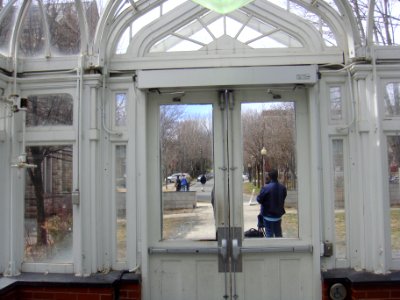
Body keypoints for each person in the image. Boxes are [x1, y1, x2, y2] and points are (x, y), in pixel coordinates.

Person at [256, 169, 286, 238]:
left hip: (267, 216)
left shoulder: (266, 188)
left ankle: (270, 246)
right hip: (278, 215)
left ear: (269, 177)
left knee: (269, 234)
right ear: (277, 176)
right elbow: (283, 198)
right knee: (278, 233)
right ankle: (280, 246)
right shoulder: (283, 188)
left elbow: (259, 200)